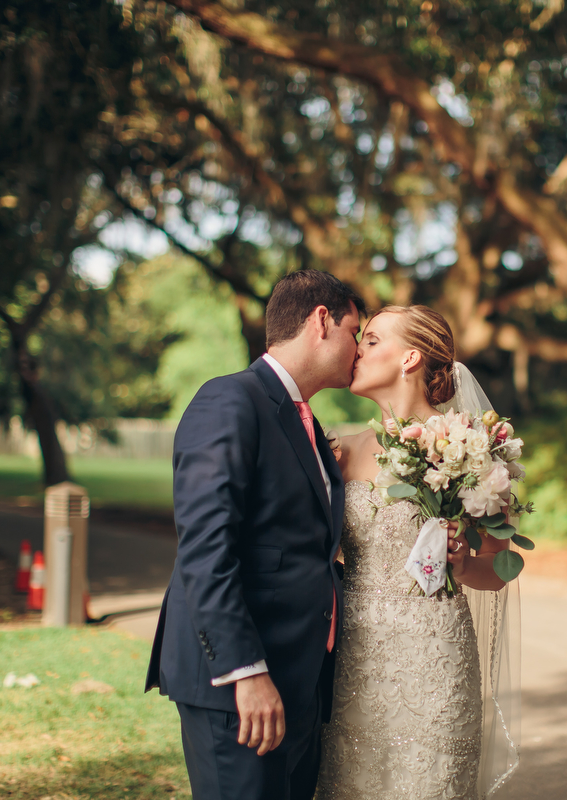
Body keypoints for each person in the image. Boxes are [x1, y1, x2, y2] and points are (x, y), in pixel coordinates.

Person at [145, 270, 365, 800]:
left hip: (299, 678)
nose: (358, 348)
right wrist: (246, 672)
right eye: (354, 332)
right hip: (241, 685)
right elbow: (205, 550)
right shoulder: (230, 401)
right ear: (321, 321)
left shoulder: (305, 421)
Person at [316, 305, 521, 799]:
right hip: (354, 660)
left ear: (410, 357)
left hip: (436, 659)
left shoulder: (472, 448)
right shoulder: (339, 451)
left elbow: (501, 566)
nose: (356, 350)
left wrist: (464, 564)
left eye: (371, 340)